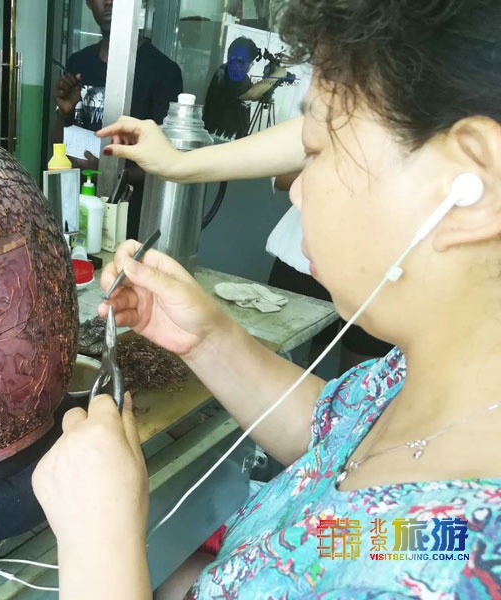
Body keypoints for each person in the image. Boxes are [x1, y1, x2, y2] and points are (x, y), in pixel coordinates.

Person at [32, 1, 501, 597]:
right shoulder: (439, 393)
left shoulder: (462, 574)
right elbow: (337, 456)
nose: (296, 192)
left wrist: (99, 547)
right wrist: (209, 341)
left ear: (470, 187)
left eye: (316, 149)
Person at [52, 0, 182, 236]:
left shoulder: (163, 71)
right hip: (74, 210)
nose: (110, 2)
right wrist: (64, 112)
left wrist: (109, 173)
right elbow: (58, 147)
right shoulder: (79, 63)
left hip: (129, 220)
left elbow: (165, 162)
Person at [202, 36, 286, 140]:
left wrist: (265, 85)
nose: (252, 64)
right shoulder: (229, 74)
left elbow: (249, 94)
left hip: (225, 138)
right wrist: (278, 74)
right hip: (220, 139)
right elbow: (251, 94)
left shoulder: (229, 72)